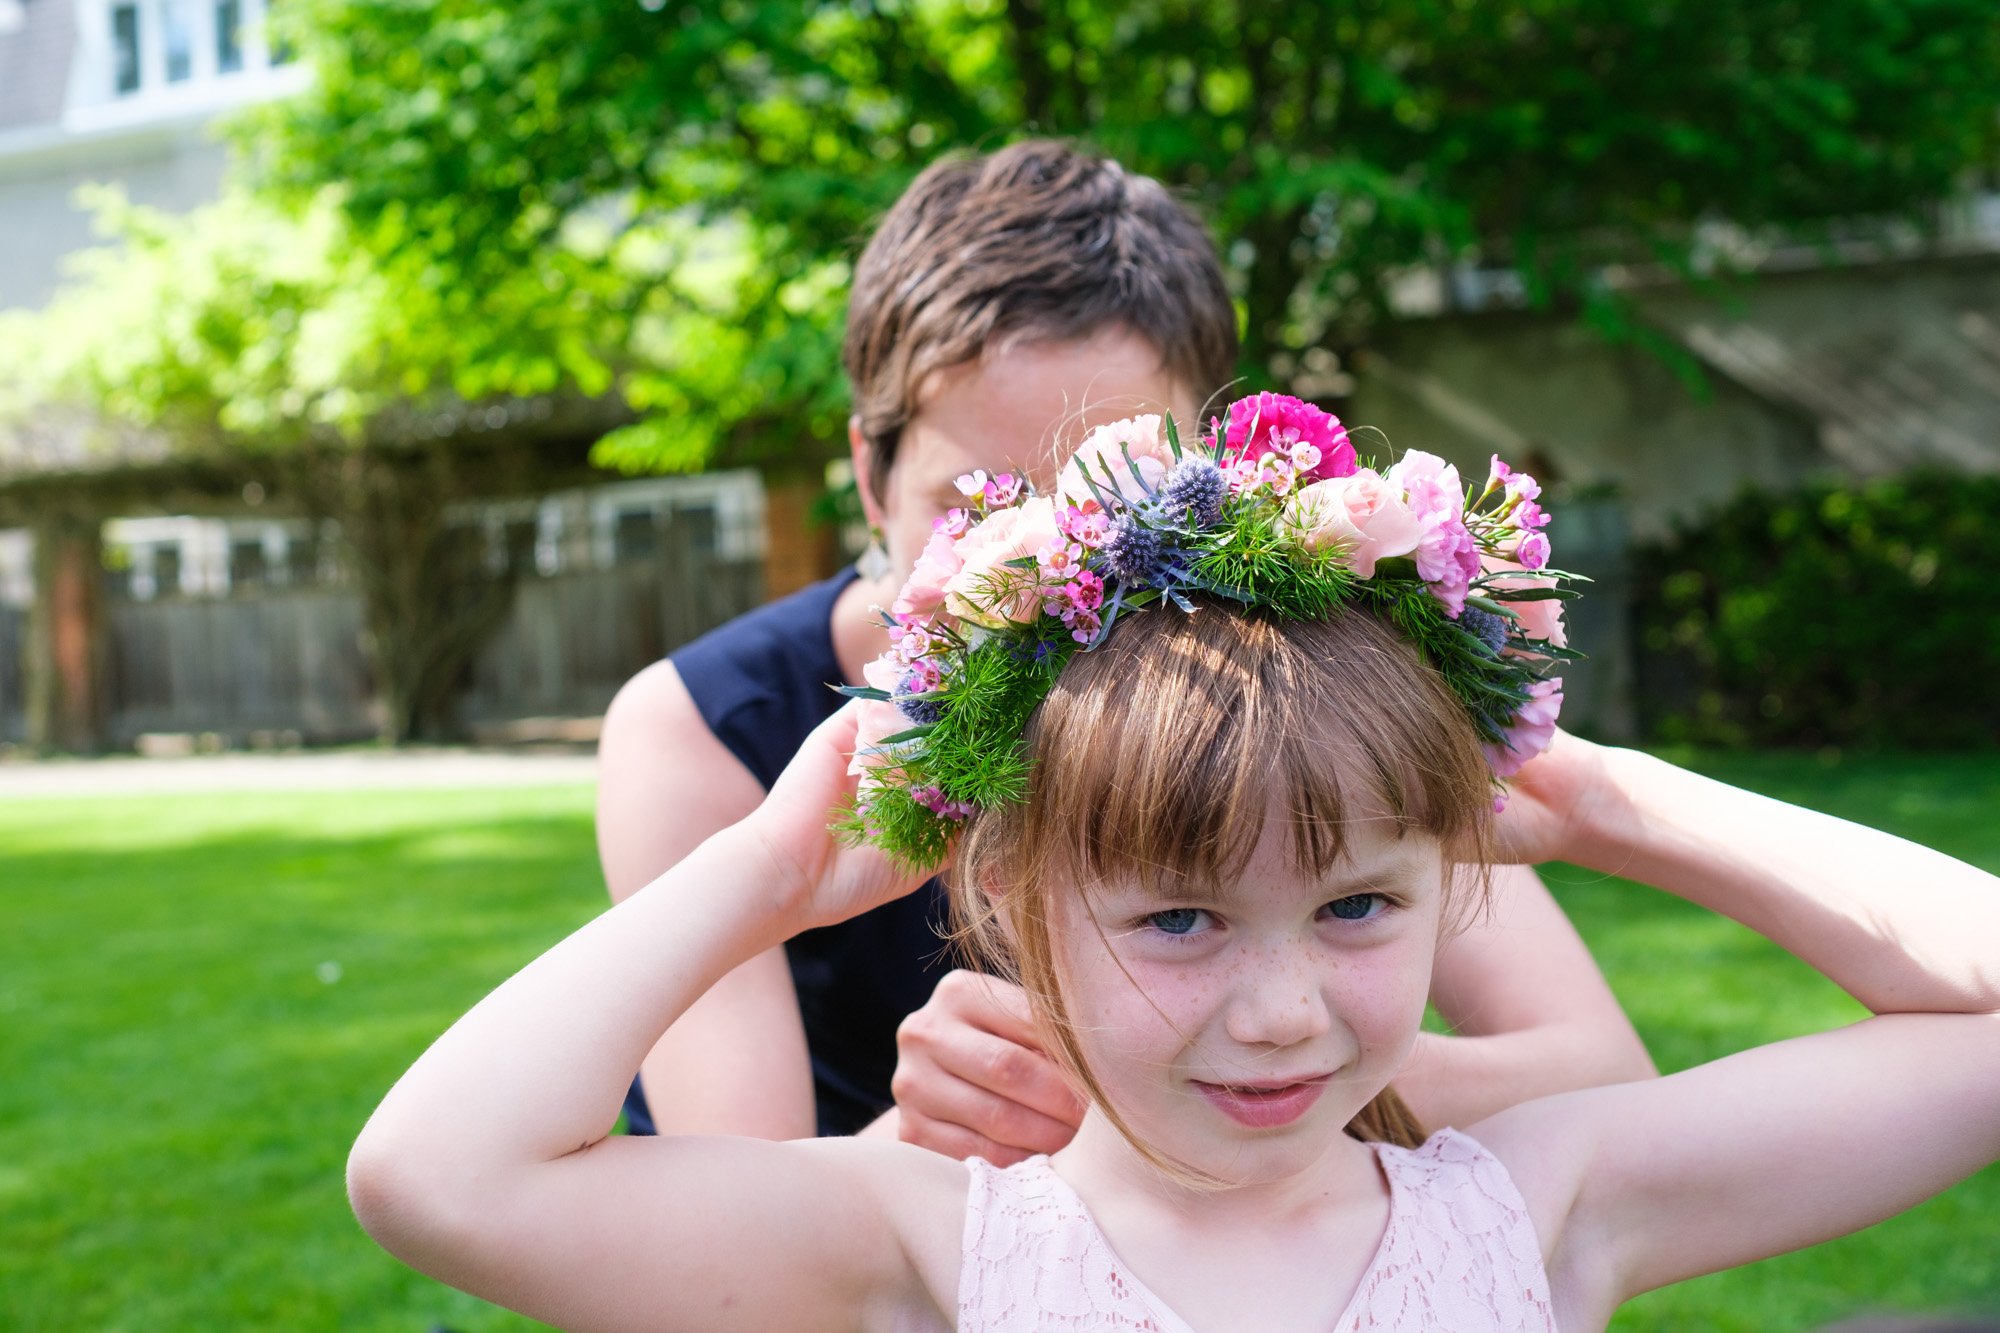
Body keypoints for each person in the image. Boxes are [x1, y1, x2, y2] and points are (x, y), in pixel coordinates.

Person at [350, 428, 2000, 1329]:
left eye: (1360, 902)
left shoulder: (1536, 1199)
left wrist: (1613, 797)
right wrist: (774, 868)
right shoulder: (920, 1244)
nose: (1280, 1013)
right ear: (1014, 897)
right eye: (1181, 919)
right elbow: (438, 1175)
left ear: (1452, 872)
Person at [595, 138, 1651, 1154]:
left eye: (1110, 502)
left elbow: (1596, 1074)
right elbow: (736, 1202)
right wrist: (925, 1133)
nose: (1049, 573)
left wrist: (1238, 1068)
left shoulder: (1303, 682)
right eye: (977, 507)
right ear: (869, 481)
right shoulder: (701, 730)